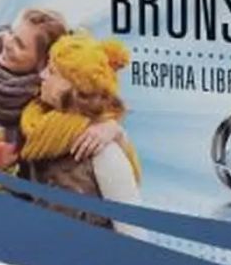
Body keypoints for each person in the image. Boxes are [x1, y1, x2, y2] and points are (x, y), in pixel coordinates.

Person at [0, 9, 124, 172]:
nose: (7, 43)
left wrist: (112, 129)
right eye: (11, 33)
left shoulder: (46, 98)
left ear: (42, 63)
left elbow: (93, 107)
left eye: (20, 45)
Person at [19, 31, 141, 225]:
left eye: (52, 71)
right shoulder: (36, 124)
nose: (42, 75)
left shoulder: (103, 150)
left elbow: (132, 228)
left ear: (73, 88)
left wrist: (117, 132)